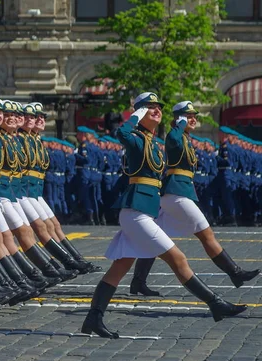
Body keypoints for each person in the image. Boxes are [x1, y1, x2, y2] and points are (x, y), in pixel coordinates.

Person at [81, 92, 247, 339]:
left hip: (143, 210)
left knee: (119, 268)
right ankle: (215, 303)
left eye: (158, 106)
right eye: (150, 107)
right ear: (138, 113)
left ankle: (93, 319)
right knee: (177, 258)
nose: (157, 110)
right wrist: (135, 116)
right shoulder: (136, 139)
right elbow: (121, 134)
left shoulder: (152, 142)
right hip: (135, 212)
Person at [129, 101, 260, 296]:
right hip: (176, 193)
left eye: (194, 116)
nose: (193, 120)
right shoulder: (175, 135)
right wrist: (180, 123)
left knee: (156, 239)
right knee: (206, 234)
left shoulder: (185, 137)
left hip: (179, 192)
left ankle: (138, 281)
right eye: (188, 116)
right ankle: (235, 273)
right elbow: (172, 137)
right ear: (179, 118)